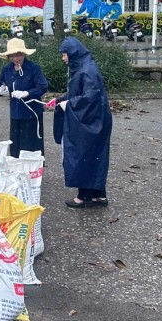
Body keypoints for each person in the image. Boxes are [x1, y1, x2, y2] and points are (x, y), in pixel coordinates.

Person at [48, 37, 112, 208]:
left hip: (91, 120)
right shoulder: (84, 66)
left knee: (83, 154)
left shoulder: (86, 70)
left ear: (72, 53)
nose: (63, 58)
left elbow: (90, 97)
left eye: (64, 54)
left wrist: (68, 104)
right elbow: (79, 91)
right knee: (96, 156)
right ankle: (99, 195)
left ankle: (84, 196)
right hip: (97, 118)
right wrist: (60, 99)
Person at [0, 38, 49, 158]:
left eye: (18, 55)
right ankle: (16, 167)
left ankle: (32, 170)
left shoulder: (33, 68)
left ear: (24, 54)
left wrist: (27, 93)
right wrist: (0, 91)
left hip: (32, 112)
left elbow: (43, 86)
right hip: (15, 112)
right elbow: (0, 84)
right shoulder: (6, 69)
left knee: (31, 143)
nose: (16, 58)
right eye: (12, 56)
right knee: (15, 143)